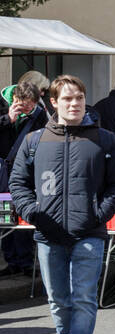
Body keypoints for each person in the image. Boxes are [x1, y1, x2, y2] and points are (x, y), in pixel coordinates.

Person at [9, 75, 115, 334]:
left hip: (89, 233)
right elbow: (18, 184)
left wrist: (99, 214)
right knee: (58, 300)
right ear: (53, 102)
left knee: (84, 298)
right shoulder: (34, 141)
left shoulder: (104, 139)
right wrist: (33, 212)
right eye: (66, 98)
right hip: (48, 235)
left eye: (78, 98)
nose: (74, 103)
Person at [1, 81, 50, 278]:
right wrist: (8, 119)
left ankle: (26, 261)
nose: (28, 109)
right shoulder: (2, 105)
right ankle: (11, 259)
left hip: (26, 169)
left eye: (32, 105)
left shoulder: (39, 113)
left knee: (23, 211)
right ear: (15, 99)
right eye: (25, 104)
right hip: (3, 169)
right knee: (5, 214)